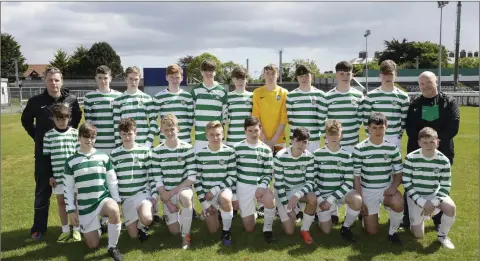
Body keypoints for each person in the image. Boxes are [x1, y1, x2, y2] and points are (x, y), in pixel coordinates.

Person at [21, 67, 82, 240]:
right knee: (43, 191)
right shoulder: (35, 101)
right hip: (44, 154)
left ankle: (77, 225)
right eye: (50, 80)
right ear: (44, 81)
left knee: (73, 192)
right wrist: (37, 136)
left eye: (56, 80)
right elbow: (25, 121)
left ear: (61, 81)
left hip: (66, 154)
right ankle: (38, 228)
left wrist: (68, 133)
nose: (53, 83)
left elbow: (77, 116)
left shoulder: (71, 99)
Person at [403, 71, 460, 229]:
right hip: (417, 149)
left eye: (428, 82)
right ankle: (408, 218)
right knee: (412, 184)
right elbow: (411, 129)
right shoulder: (415, 104)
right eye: (421, 83)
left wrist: (434, 143)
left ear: (436, 82)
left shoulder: (449, 102)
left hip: (443, 150)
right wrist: (424, 144)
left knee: (440, 184)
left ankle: (439, 219)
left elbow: (454, 125)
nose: (425, 86)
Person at [63, 123, 124, 261]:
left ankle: (112, 247)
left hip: (102, 199)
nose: (89, 140)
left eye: (92, 137)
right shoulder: (71, 162)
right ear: (79, 137)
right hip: (85, 206)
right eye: (85, 136)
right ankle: (99, 226)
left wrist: (117, 200)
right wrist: (71, 210)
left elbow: (112, 180)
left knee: (113, 210)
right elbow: (67, 188)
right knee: (92, 245)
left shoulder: (103, 157)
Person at [352, 113, 404, 245]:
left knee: (398, 201)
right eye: (374, 128)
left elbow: (399, 174)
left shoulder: (392, 149)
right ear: (368, 128)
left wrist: (393, 187)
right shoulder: (359, 149)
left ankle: (393, 232)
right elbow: (356, 177)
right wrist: (360, 199)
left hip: (386, 189)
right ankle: (366, 216)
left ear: (386, 127)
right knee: (372, 231)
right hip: (367, 191)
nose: (378, 131)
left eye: (381, 127)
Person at [324, 61, 364, 224]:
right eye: (342, 73)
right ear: (336, 75)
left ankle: (352, 210)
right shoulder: (328, 97)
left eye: (348, 73)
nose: (345, 77)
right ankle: (333, 210)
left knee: (353, 179)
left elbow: (361, 120)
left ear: (352, 75)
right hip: (334, 146)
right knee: (333, 178)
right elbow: (324, 123)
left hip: (352, 145)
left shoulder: (358, 95)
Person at [402, 127, 456, 249]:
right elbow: (406, 183)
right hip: (416, 196)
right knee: (418, 235)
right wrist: (422, 202)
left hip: (433, 194)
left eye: (432, 141)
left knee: (451, 208)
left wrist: (432, 202)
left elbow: (445, 185)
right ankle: (416, 219)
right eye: (425, 142)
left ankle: (442, 236)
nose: (428, 145)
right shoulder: (411, 158)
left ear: (437, 142)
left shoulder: (444, 160)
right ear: (419, 143)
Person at [150, 114, 196, 249]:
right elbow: (158, 179)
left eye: (172, 129)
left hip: (182, 189)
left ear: (178, 129)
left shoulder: (187, 148)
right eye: (166, 130)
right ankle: (176, 216)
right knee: (174, 231)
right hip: (167, 193)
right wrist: (167, 200)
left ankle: (186, 236)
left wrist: (172, 193)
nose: (169, 132)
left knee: (186, 198)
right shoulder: (157, 151)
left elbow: (191, 178)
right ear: (161, 131)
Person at [312, 120, 362, 242]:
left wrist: (331, 199)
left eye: (336, 134)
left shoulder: (346, 156)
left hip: (339, 194)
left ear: (341, 136)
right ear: (325, 136)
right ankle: (326, 213)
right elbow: (312, 181)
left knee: (357, 199)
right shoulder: (317, 155)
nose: (333, 137)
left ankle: (346, 228)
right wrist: (320, 200)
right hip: (323, 196)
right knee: (326, 231)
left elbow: (348, 182)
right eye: (330, 134)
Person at [110, 118, 157, 242]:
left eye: (130, 133)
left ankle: (143, 225)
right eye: (124, 134)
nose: (127, 137)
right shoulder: (114, 154)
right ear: (120, 134)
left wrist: (155, 196)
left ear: (135, 133)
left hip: (142, 193)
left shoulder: (145, 151)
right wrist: (116, 200)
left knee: (147, 219)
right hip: (126, 198)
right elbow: (112, 181)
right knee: (133, 235)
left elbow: (151, 176)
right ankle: (137, 222)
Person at [233, 116, 277, 243]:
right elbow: (232, 173)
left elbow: (268, 173)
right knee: (249, 228)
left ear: (261, 130)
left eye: (256, 130)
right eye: (250, 131)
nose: (253, 134)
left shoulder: (266, 149)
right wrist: (234, 195)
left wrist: (262, 187)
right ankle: (255, 212)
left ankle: (267, 230)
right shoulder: (237, 148)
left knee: (270, 199)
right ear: (245, 131)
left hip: (259, 187)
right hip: (243, 187)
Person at [42, 103, 81, 243]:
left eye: (64, 119)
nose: (61, 122)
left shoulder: (75, 133)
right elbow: (46, 158)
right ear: (53, 119)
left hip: (74, 176)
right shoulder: (48, 136)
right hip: (58, 177)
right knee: (61, 202)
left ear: (68, 118)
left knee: (75, 202)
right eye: (58, 119)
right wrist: (50, 176)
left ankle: (76, 229)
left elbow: (79, 155)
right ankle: (65, 229)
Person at [195, 121, 237, 246]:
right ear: (206, 136)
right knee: (213, 230)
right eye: (211, 135)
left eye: (218, 134)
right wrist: (205, 203)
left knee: (225, 198)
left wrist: (214, 190)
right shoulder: (199, 155)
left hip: (222, 190)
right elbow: (197, 181)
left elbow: (232, 176)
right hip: (207, 196)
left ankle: (226, 231)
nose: (215, 138)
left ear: (223, 135)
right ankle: (214, 212)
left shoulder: (229, 152)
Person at [273, 127, 316, 244]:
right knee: (290, 231)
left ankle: (305, 229)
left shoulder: (310, 157)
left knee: (313, 198)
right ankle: (285, 209)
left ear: (308, 143)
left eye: (304, 142)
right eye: (298, 140)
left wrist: (297, 195)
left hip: (299, 190)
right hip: (283, 192)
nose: (300, 144)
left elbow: (310, 182)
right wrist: (287, 207)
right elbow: (279, 184)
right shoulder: (280, 156)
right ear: (292, 140)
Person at [362, 60, 409, 150]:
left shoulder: (403, 96)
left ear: (396, 75)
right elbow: (365, 118)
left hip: (394, 138)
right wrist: (370, 134)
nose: (388, 77)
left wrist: (398, 135)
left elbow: (404, 120)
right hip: (375, 136)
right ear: (380, 75)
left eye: (390, 74)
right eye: (385, 74)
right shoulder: (371, 95)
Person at [113, 66, 157, 149]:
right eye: (130, 78)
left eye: (136, 79)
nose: (133, 82)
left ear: (139, 79)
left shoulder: (147, 98)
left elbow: (153, 123)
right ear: (125, 79)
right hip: (126, 145)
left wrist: (147, 144)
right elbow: (116, 125)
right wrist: (119, 146)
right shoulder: (118, 100)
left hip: (144, 145)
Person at [286, 64, 327, 153]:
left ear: (311, 76)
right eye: (301, 76)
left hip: (313, 140)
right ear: (297, 78)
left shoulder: (321, 95)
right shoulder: (290, 96)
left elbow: (322, 119)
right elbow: (290, 120)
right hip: (296, 140)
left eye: (306, 75)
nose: (304, 78)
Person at [191, 60, 228, 152]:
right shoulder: (195, 91)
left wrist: (218, 132)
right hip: (200, 136)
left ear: (215, 72)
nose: (208, 73)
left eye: (211, 70)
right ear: (201, 72)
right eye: (206, 70)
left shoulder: (222, 91)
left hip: (216, 137)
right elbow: (192, 113)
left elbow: (224, 115)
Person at [83, 65, 122, 154]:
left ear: (110, 78)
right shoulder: (89, 97)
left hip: (116, 143)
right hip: (97, 144)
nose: (103, 81)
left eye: (105, 78)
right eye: (100, 78)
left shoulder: (119, 96)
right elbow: (88, 123)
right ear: (95, 78)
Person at [252, 64, 288, 155]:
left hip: (279, 140)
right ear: (263, 75)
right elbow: (256, 117)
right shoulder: (257, 92)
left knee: (278, 168)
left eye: (273, 73)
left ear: (278, 75)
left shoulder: (284, 93)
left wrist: (273, 141)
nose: (270, 76)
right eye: (267, 73)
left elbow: (283, 119)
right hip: (261, 139)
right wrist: (263, 137)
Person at [153, 64, 194, 144]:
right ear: (166, 77)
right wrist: (160, 131)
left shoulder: (187, 97)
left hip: (184, 139)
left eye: (177, 77)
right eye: (171, 77)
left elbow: (190, 119)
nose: (174, 80)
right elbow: (153, 119)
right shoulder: (158, 97)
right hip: (165, 140)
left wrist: (183, 132)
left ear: (182, 78)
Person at [225, 66, 253, 147]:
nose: (240, 82)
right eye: (237, 79)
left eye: (242, 79)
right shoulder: (228, 96)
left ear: (247, 79)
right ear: (233, 79)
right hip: (232, 139)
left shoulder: (252, 96)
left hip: (248, 139)